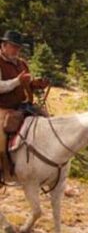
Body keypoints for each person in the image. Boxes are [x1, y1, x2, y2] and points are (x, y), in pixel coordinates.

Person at [0, 29, 50, 182]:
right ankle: (4, 170)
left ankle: (42, 165)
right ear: (3, 45)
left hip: (23, 105)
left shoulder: (22, 64)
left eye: (18, 47)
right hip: (3, 107)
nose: (16, 50)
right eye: (13, 46)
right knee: (2, 135)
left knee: (47, 122)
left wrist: (36, 84)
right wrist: (17, 81)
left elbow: (27, 84)